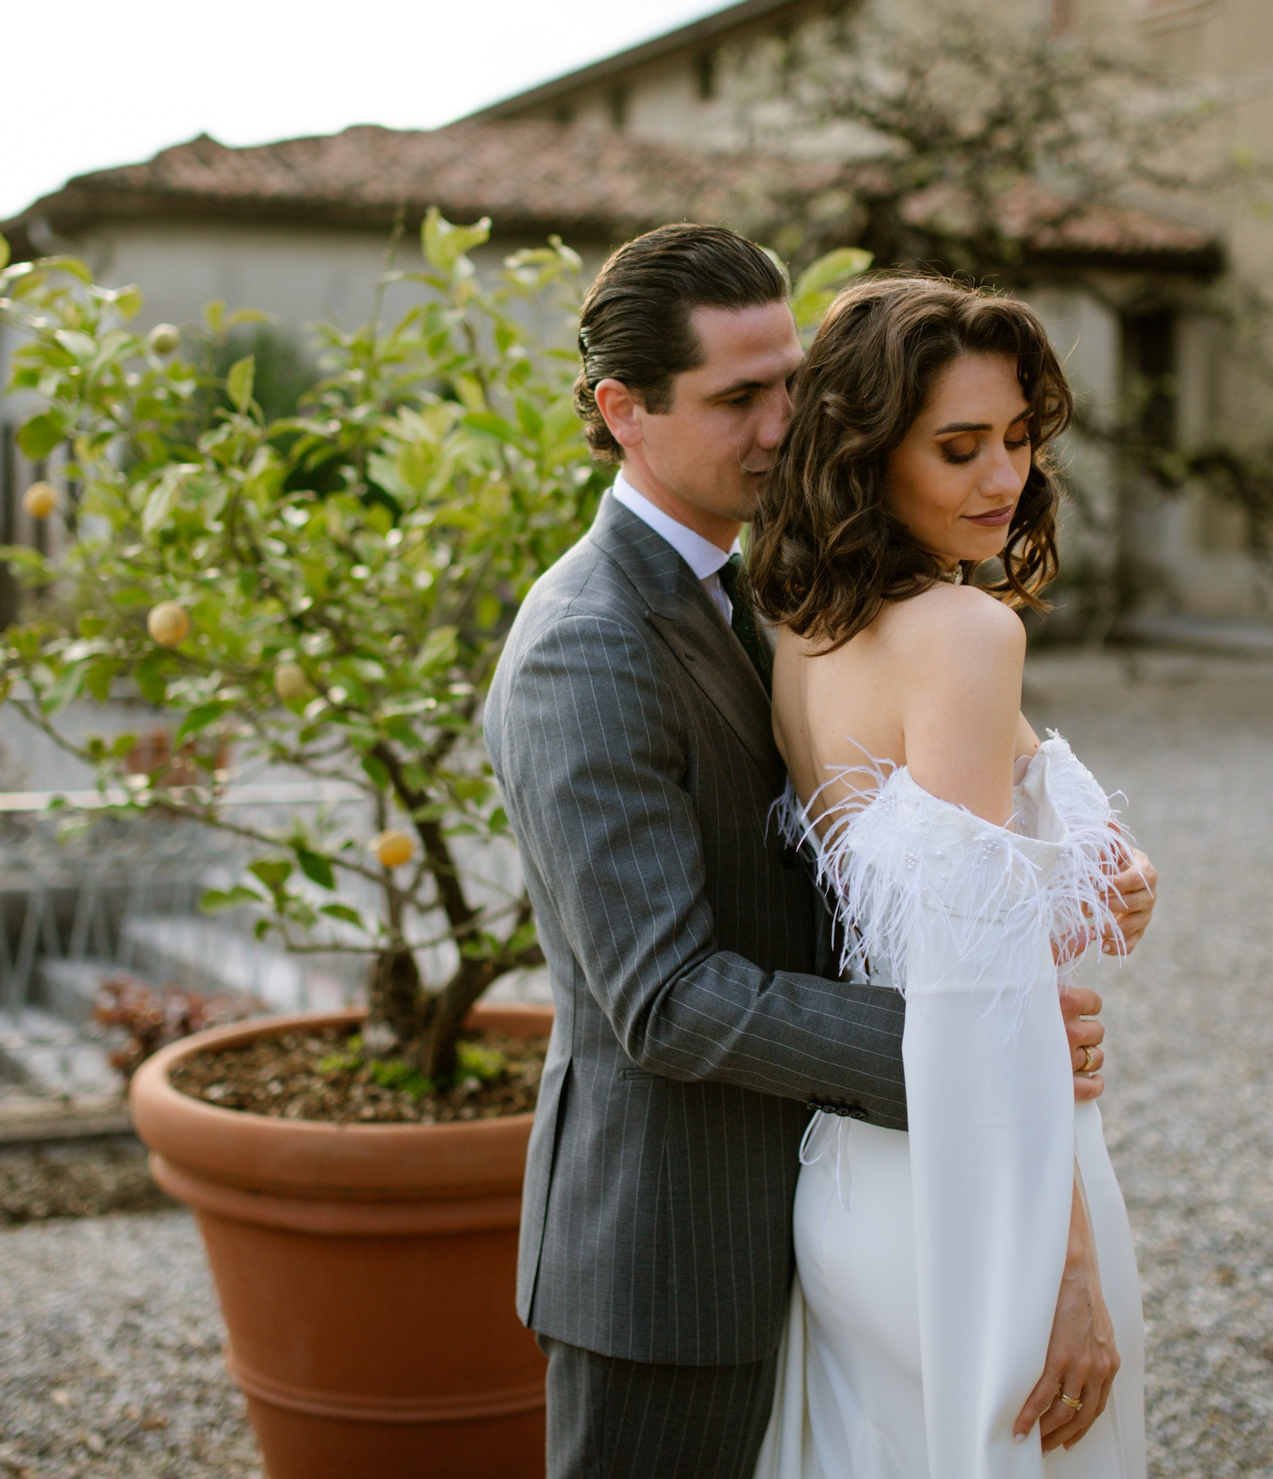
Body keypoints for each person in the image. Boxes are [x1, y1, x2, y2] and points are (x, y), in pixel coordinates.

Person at [482, 224, 1157, 1479]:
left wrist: (1072, 883)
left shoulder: (777, 595)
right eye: (739, 399)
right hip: (669, 1256)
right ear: (623, 411)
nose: (783, 423)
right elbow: (663, 998)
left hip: (808, 1200)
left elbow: (843, 875)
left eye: (789, 384)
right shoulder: (588, 637)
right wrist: (977, 1049)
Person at [748, 275, 1151, 1479]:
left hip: (851, 1181)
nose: (1002, 481)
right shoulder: (967, 636)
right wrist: (1064, 1276)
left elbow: (933, 867)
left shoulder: (798, 625)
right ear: (869, 454)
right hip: (984, 1182)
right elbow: (983, 993)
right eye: (959, 448)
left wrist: (1112, 867)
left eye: (1019, 440)